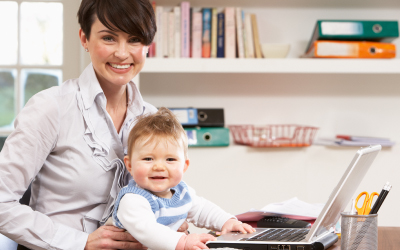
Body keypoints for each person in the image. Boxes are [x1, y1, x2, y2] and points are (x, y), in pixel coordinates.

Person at [0, 0, 190, 249]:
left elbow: (166, 192)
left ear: (147, 46)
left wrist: (172, 220)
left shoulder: (151, 119)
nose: (122, 53)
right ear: (84, 38)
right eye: (109, 38)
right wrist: (82, 242)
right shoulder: (51, 107)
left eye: (134, 39)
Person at [108, 107, 256, 250]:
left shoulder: (182, 192)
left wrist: (226, 221)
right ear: (130, 165)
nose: (159, 167)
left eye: (170, 159)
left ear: (184, 166)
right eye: (148, 158)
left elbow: (202, 210)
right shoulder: (133, 199)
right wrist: (183, 241)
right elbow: (149, 232)